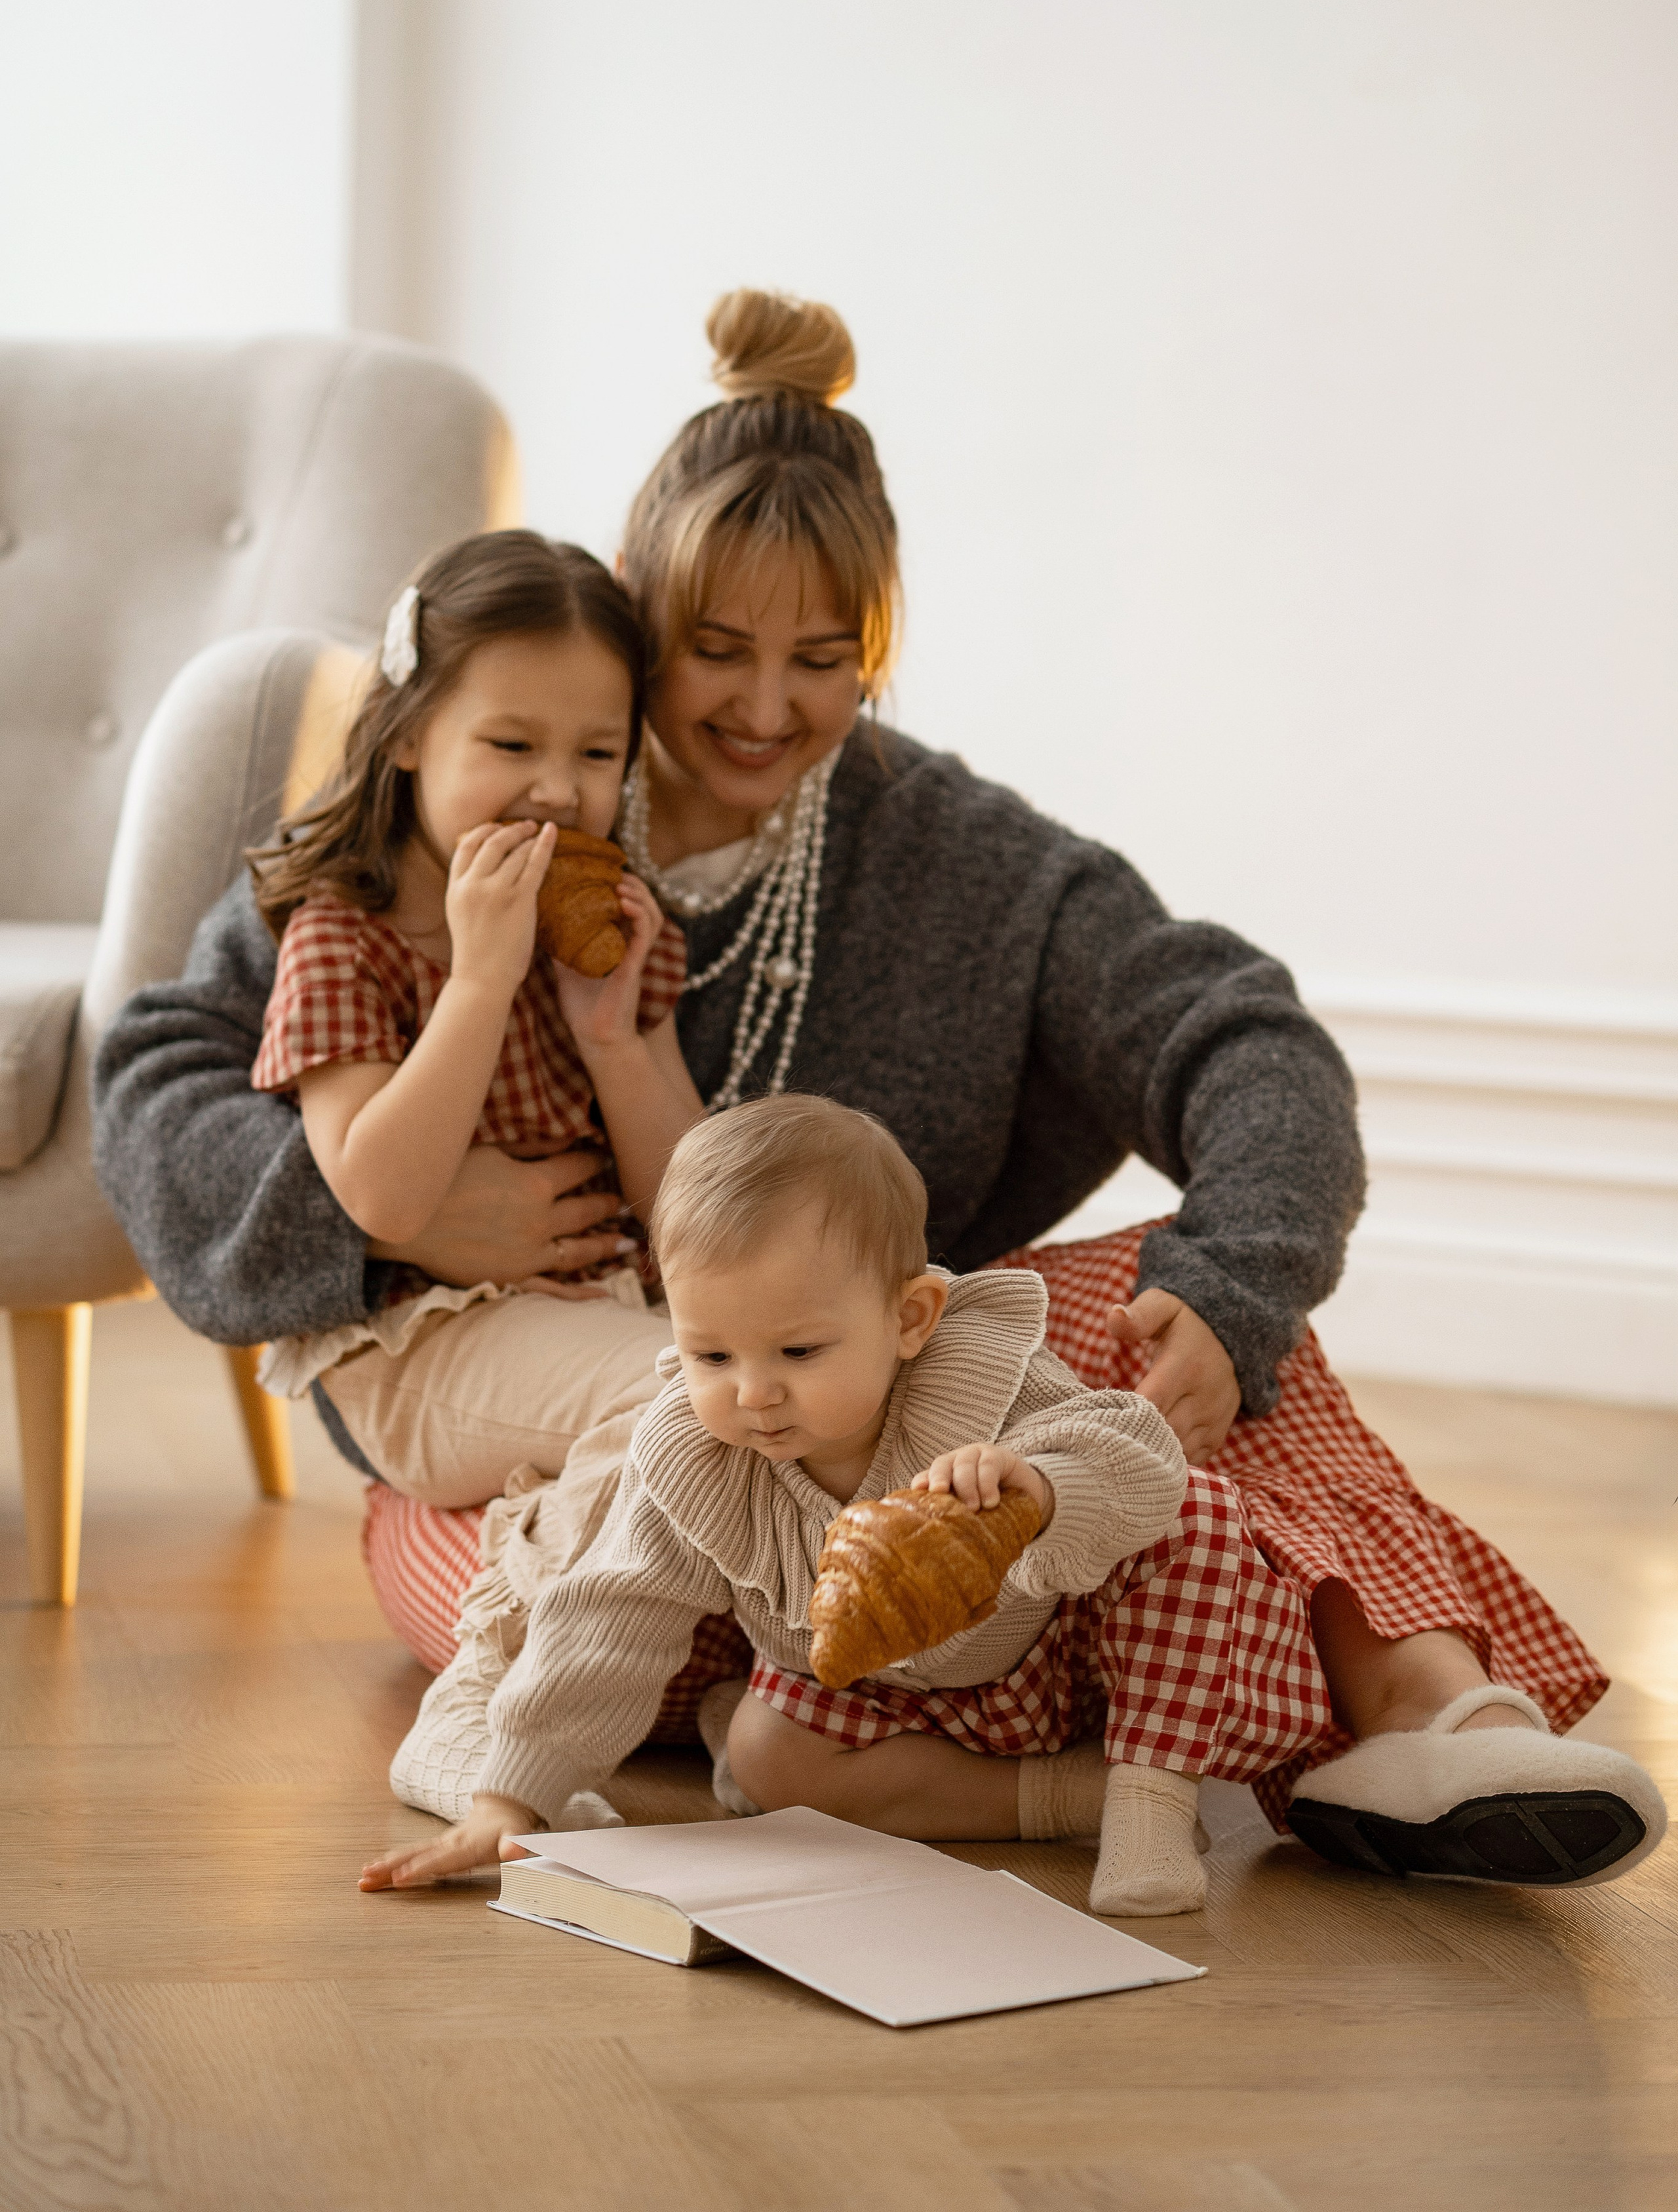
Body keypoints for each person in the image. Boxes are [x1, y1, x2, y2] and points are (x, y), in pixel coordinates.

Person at [93, 288, 1661, 1886]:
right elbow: (160, 1068)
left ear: (877, 653)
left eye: (822, 661)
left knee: (1146, 1322)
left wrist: (1233, 1279)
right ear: (640, 611)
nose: (763, 708)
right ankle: (1061, 1757)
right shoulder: (481, 786)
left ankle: (1421, 1716)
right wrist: (400, 1232)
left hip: (898, 1413)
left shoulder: (955, 858)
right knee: (563, 1575)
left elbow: (1238, 1030)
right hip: (569, 1446)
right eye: (710, 651)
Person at [361, 1097, 1337, 1916]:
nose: (752, 1392)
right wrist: (508, 1800)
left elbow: (1138, 1458)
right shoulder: (701, 1453)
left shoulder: (983, 1381)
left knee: (1201, 1516)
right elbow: (607, 1618)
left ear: (908, 1320)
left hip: (1062, 1658)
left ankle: (1149, 1795)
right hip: (874, 1702)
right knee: (763, 1755)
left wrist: (1039, 1491)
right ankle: (1063, 1796)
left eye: (797, 1353)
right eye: (712, 1355)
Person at [242, 529, 703, 1506]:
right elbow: (384, 1199)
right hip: (425, 1348)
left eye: (597, 753)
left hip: (607, 1312)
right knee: (706, 1392)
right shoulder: (343, 938)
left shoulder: (607, 930)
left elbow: (693, 1210)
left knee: (792, 1385)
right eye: (511, 744)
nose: (557, 789)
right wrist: (479, 986)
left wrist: (613, 1038)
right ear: (408, 734)